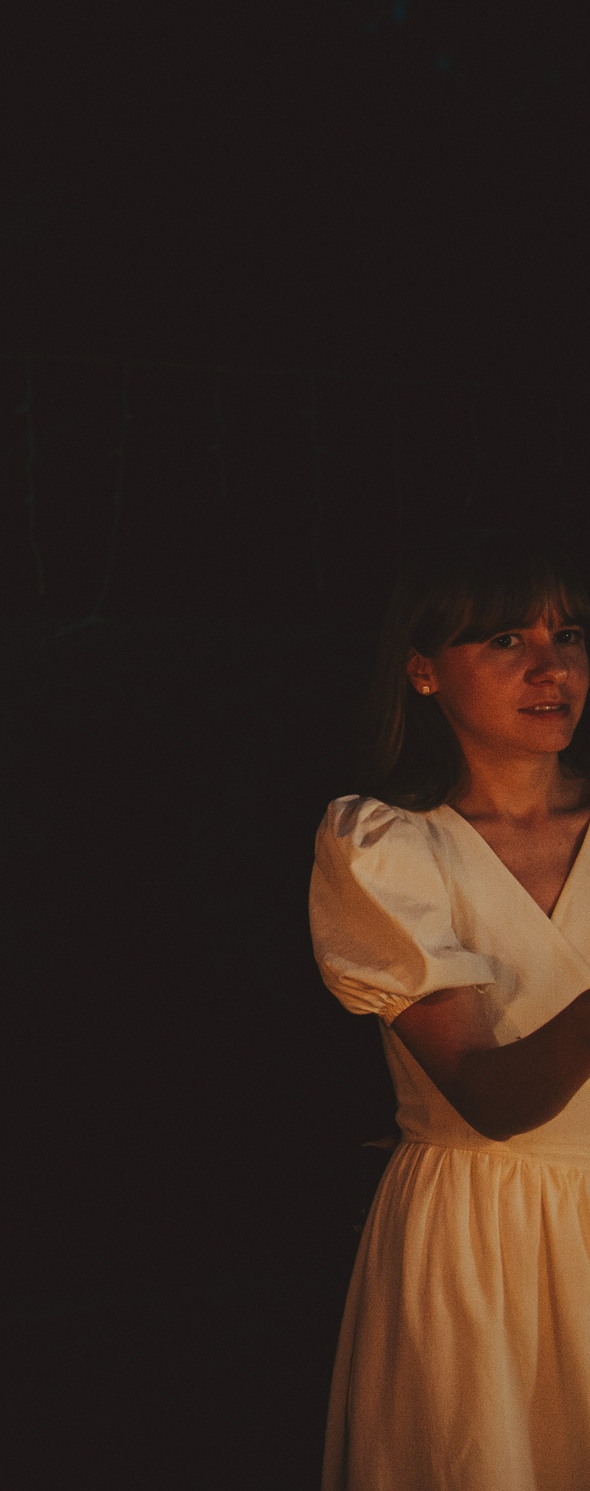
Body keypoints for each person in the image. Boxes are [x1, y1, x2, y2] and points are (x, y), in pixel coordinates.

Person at [311, 531, 590, 1489]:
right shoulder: (387, 845)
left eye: (570, 634)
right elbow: (491, 1093)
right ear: (424, 670)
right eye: (508, 639)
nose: (552, 666)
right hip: (486, 1239)